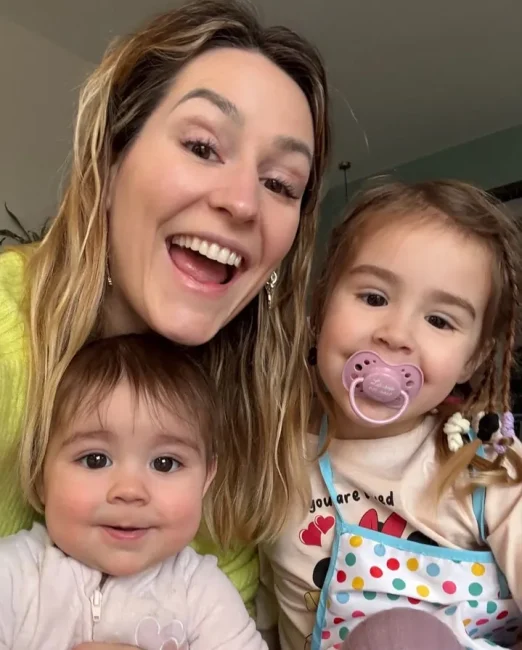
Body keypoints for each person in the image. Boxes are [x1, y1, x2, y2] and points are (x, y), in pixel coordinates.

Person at [0, 0, 330, 615]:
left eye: (281, 184)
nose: (243, 203)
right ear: (109, 161)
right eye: (203, 147)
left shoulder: (242, 422)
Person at [260, 180, 522, 649]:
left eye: (439, 320)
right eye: (374, 298)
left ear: (473, 359)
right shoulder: (273, 454)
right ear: (321, 305)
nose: (396, 334)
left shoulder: (488, 464)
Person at [0, 333, 267, 650]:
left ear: (206, 480)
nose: (129, 491)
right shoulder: (13, 575)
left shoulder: (203, 595)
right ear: (40, 475)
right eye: (95, 460)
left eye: (165, 464)